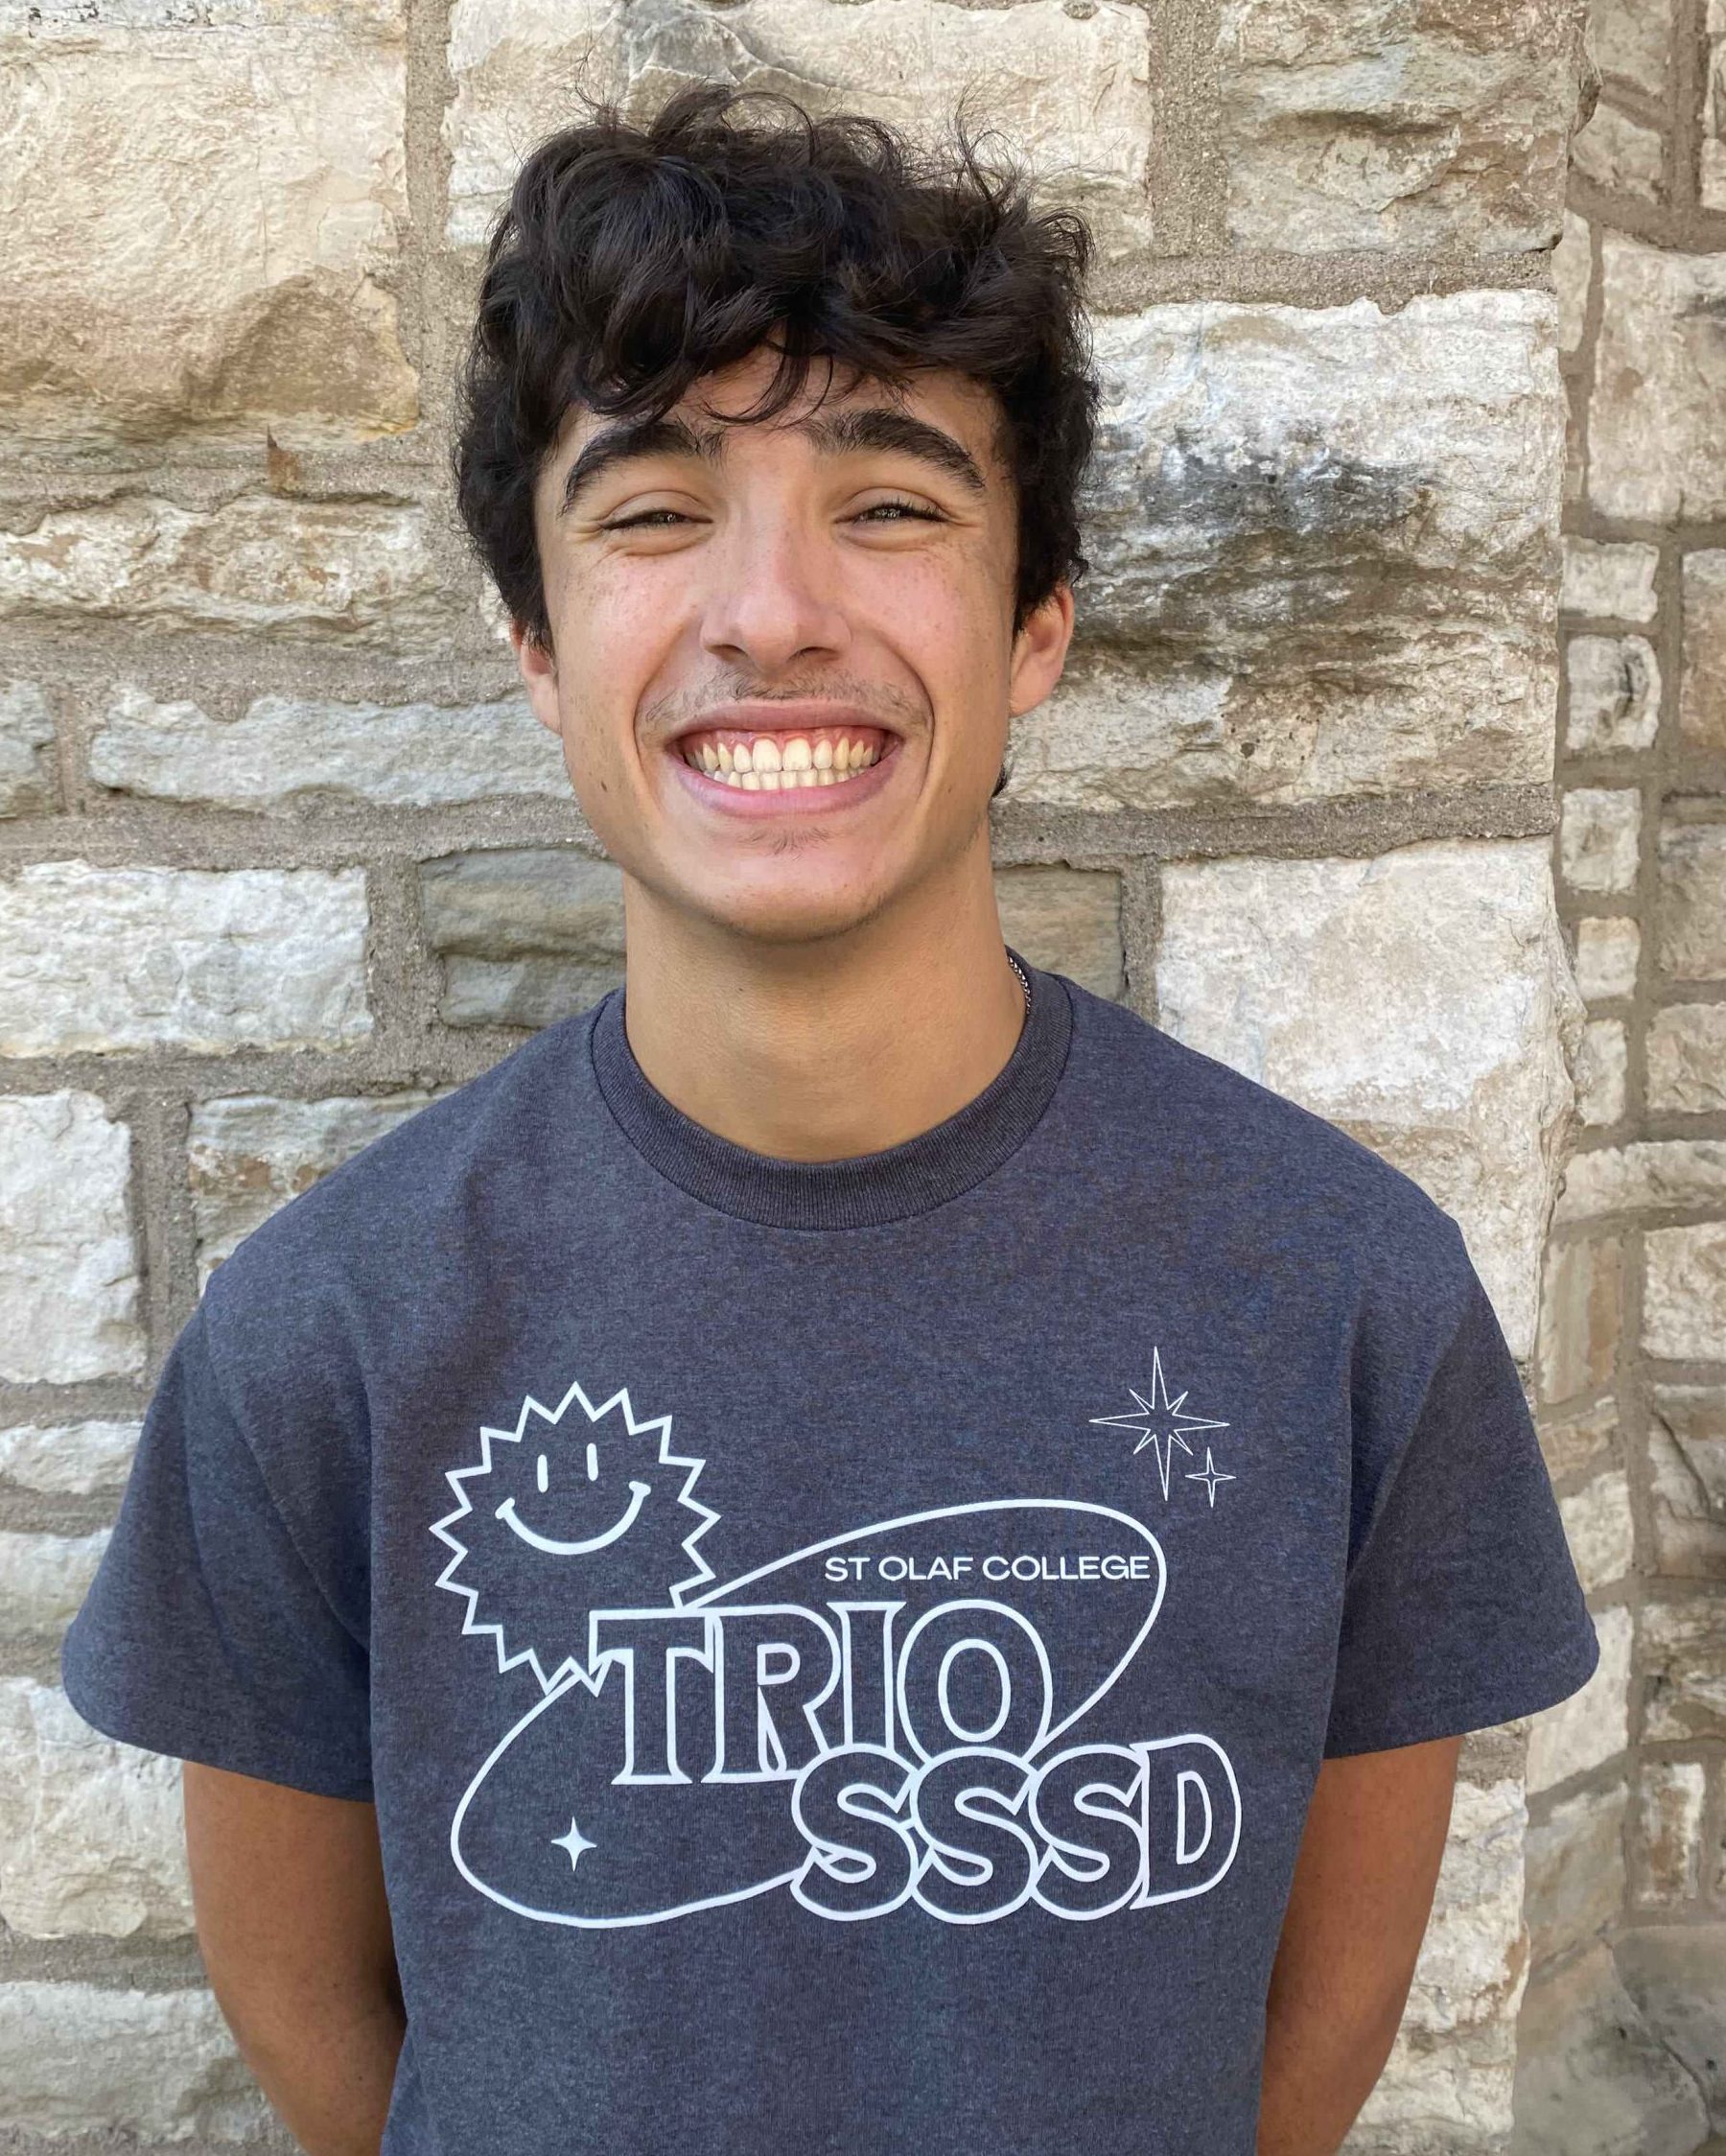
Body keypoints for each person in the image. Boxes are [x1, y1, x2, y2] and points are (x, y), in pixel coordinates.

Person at [60, 85, 1598, 2156]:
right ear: (535, 637)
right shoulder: (325, 1333)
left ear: (1037, 620)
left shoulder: (1337, 1294)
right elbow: (316, 2009)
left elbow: (1305, 2042)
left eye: (889, 505)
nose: (772, 610)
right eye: (655, 509)